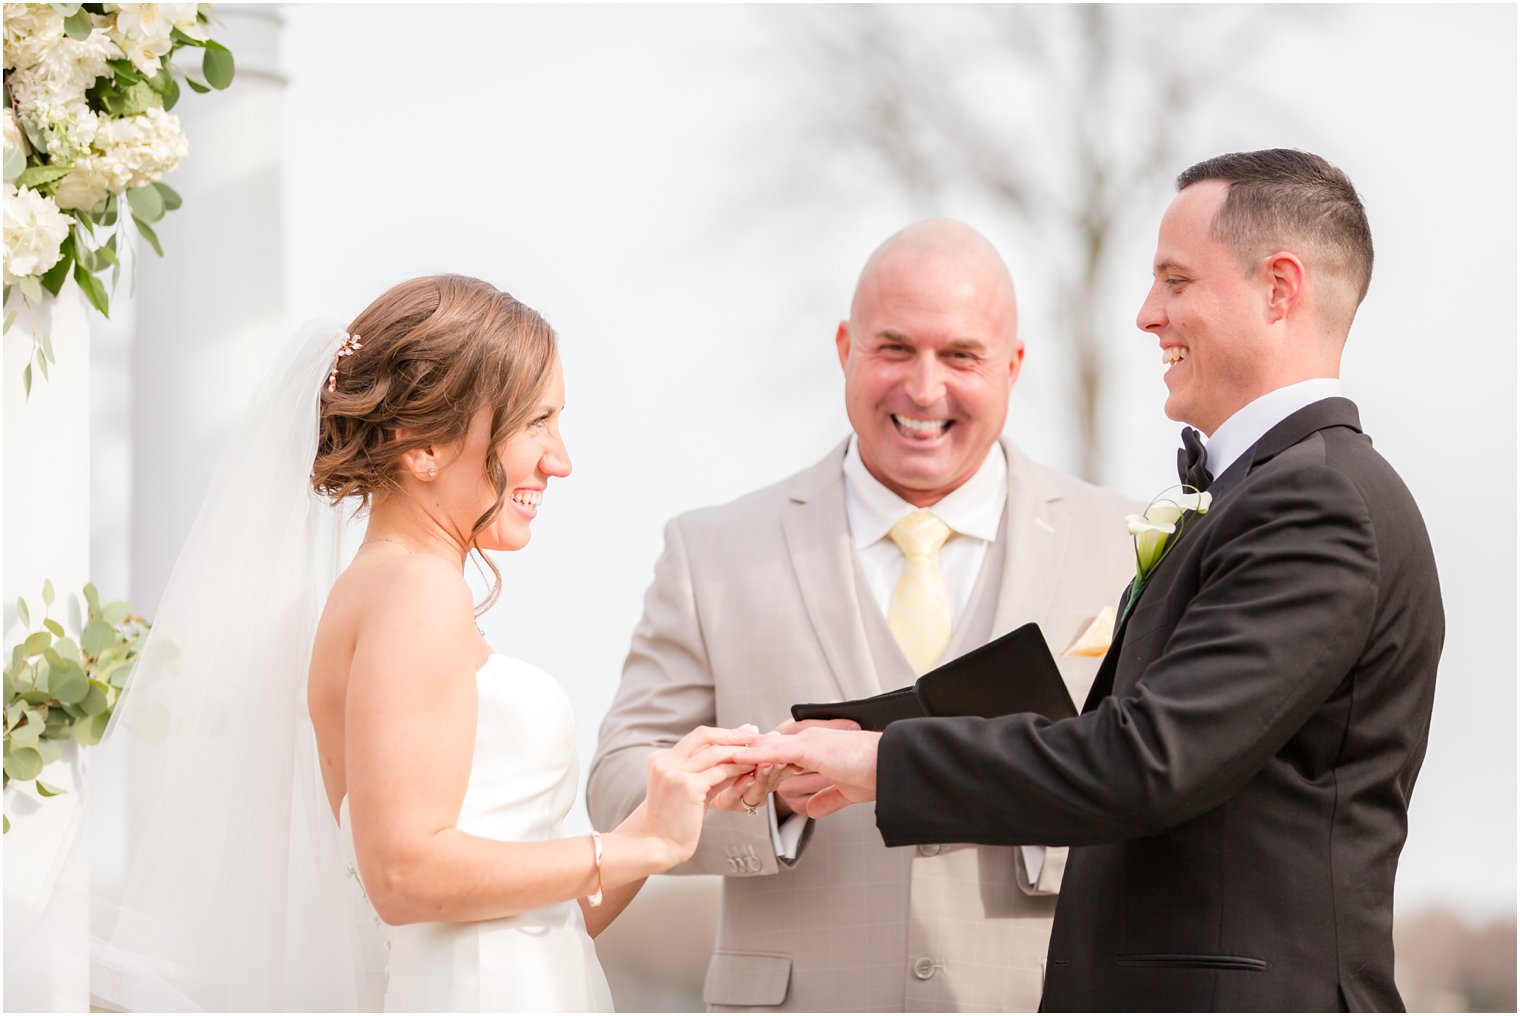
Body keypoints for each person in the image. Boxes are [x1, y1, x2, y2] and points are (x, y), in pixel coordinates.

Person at [733, 150, 1444, 1012]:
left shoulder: (1318, 501)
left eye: (1175, 280)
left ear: (1280, 289)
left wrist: (884, 761)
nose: (1148, 315)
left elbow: (1146, 761)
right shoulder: (1269, 493)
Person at [90, 275, 758, 1012]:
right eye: (535, 422)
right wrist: (642, 847)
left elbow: (539, 920)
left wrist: (665, 818)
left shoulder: (388, 590)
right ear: (424, 448)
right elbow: (404, 877)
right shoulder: (415, 593)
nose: (559, 459)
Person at [588, 221, 1138, 1011]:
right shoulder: (710, 553)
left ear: (1012, 366)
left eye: (960, 356)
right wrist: (770, 795)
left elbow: (1161, 777)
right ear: (845, 347)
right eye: (893, 348)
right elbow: (616, 792)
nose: (923, 389)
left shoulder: (1121, 545)